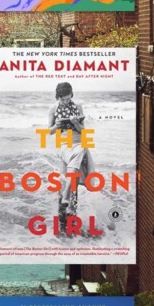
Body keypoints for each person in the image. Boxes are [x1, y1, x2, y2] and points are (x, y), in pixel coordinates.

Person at [47, 82, 94, 225]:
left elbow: (84, 131)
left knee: (79, 155)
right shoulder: (53, 108)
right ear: (58, 97)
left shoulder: (78, 106)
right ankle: (64, 214)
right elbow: (49, 131)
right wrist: (57, 125)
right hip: (64, 144)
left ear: (71, 95)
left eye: (68, 99)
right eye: (63, 99)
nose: (66, 102)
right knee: (68, 176)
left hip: (79, 142)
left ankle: (71, 214)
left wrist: (77, 124)